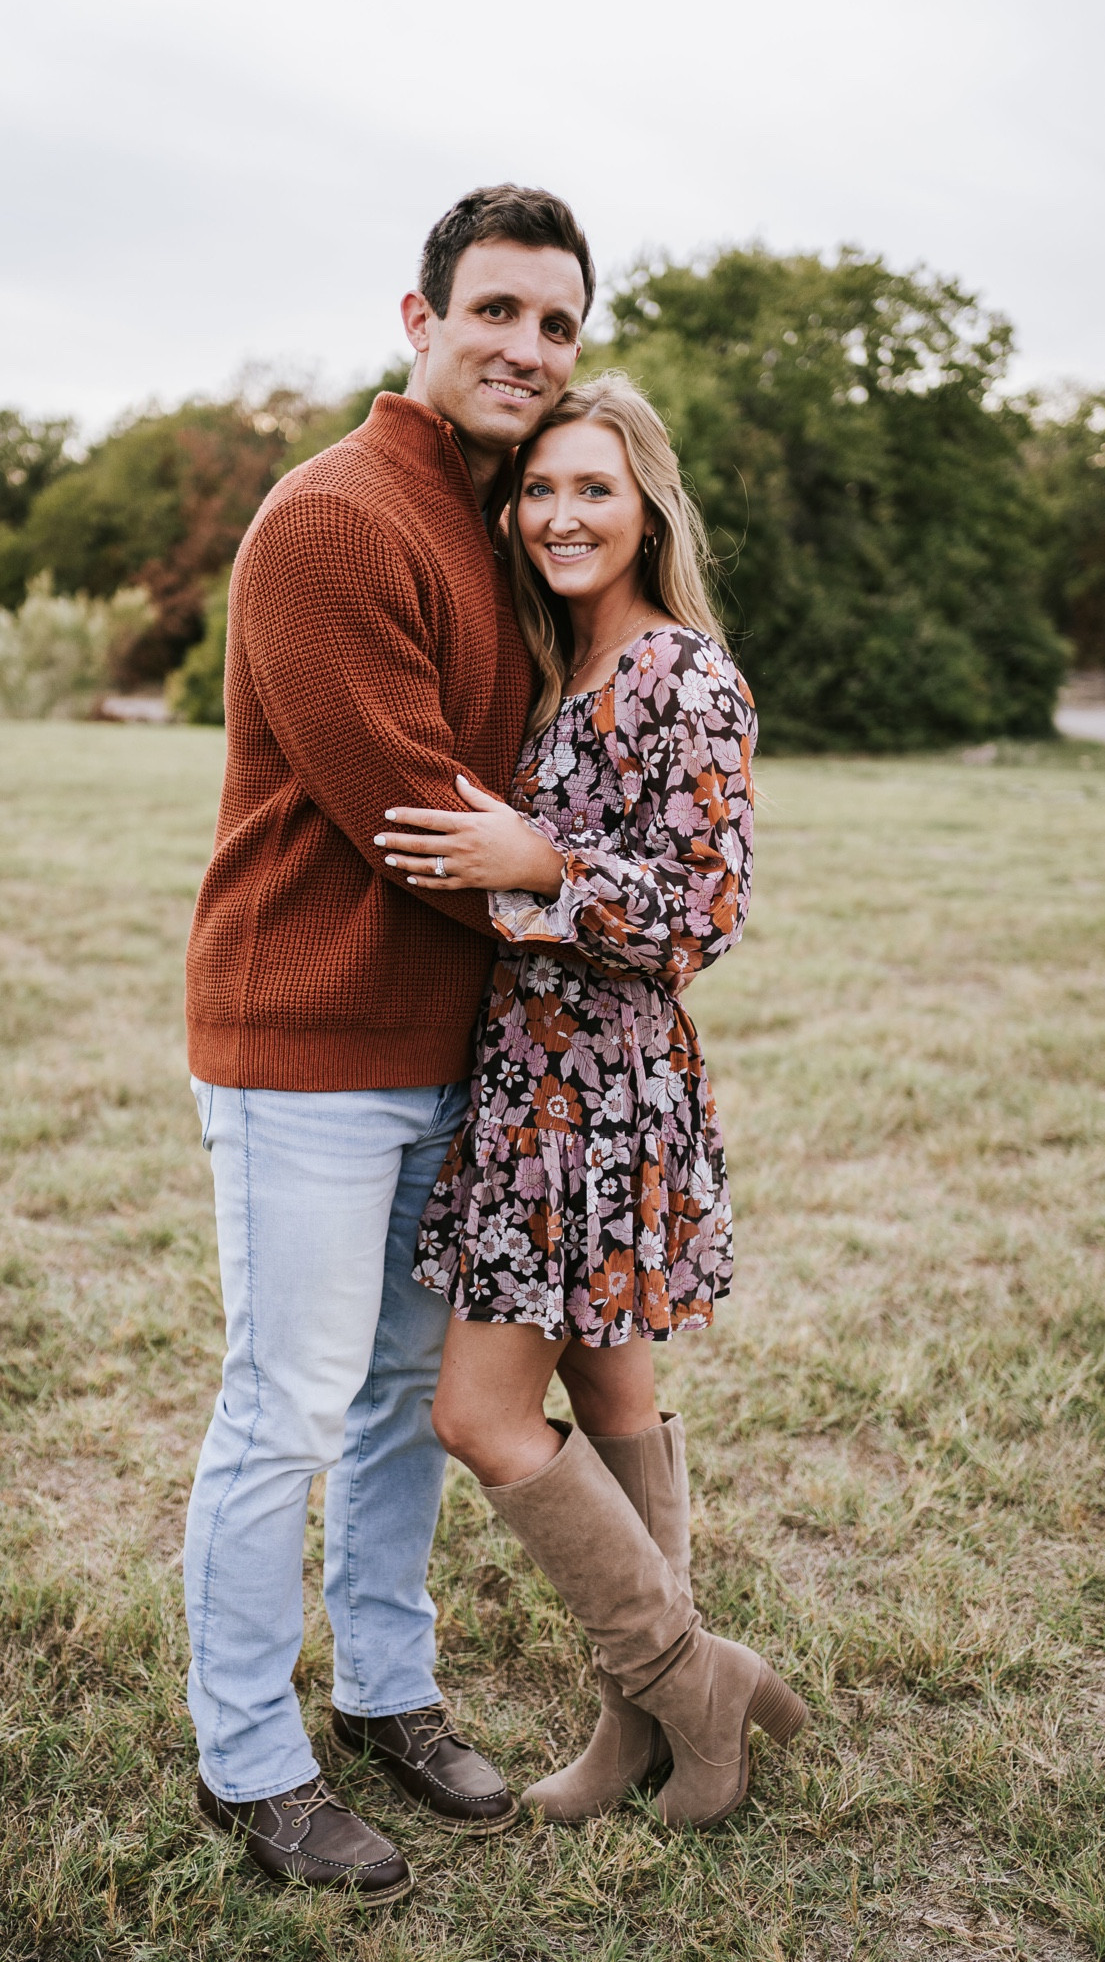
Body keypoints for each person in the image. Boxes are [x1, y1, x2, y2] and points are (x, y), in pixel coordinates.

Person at [181, 186, 594, 1904]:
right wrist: (597, 908)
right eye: (495, 310)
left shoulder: (490, 522)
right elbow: (420, 825)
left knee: (399, 1408)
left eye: (558, 324)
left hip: (450, 1050)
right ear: (416, 320)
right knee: (282, 1405)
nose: (526, 348)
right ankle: (248, 1762)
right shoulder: (335, 518)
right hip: (309, 1040)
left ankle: (389, 1693)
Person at [375, 373, 809, 1833]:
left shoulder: (682, 674)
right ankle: (646, 1730)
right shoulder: (558, 672)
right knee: (610, 1391)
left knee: (480, 1416)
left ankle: (690, 1680)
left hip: (597, 1095)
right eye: (538, 489)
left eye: (592, 489)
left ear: (646, 508)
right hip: (533, 1077)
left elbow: (703, 916)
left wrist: (540, 867)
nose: (559, 514)